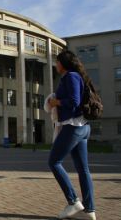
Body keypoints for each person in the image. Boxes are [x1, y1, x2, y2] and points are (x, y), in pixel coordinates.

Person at [47, 50, 96, 220]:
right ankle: (89, 211)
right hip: (81, 127)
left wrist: (56, 101)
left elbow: (74, 101)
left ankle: (73, 201)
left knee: (54, 161)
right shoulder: (73, 77)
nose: (55, 65)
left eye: (57, 62)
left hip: (74, 126)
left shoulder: (71, 77)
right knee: (83, 169)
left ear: (63, 63)